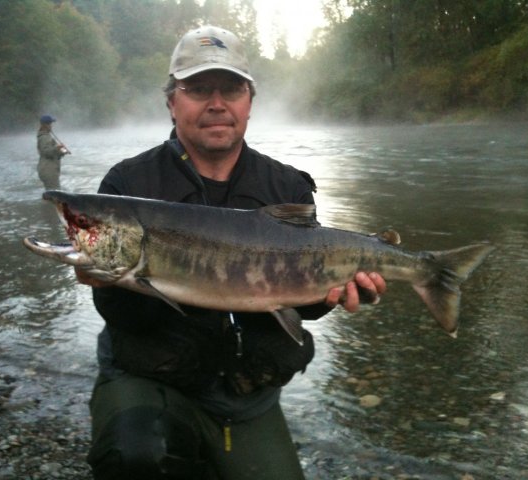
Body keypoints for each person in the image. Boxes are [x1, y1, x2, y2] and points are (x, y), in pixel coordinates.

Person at [78, 25, 386, 480]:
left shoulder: (287, 187)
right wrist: (109, 278)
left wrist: (335, 294)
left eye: (231, 89)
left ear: (249, 102)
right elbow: (123, 317)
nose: (216, 103)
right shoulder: (128, 186)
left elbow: (300, 300)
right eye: (198, 89)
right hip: (152, 378)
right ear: (172, 102)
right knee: (136, 455)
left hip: (246, 392)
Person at [36, 114, 69, 189]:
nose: (51, 126)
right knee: (55, 194)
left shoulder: (47, 136)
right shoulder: (44, 137)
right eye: (50, 124)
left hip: (49, 169)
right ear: (45, 125)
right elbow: (46, 152)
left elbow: (53, 152)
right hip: (48, 170)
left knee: (53, 193)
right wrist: (57, 148)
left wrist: (62, 151)